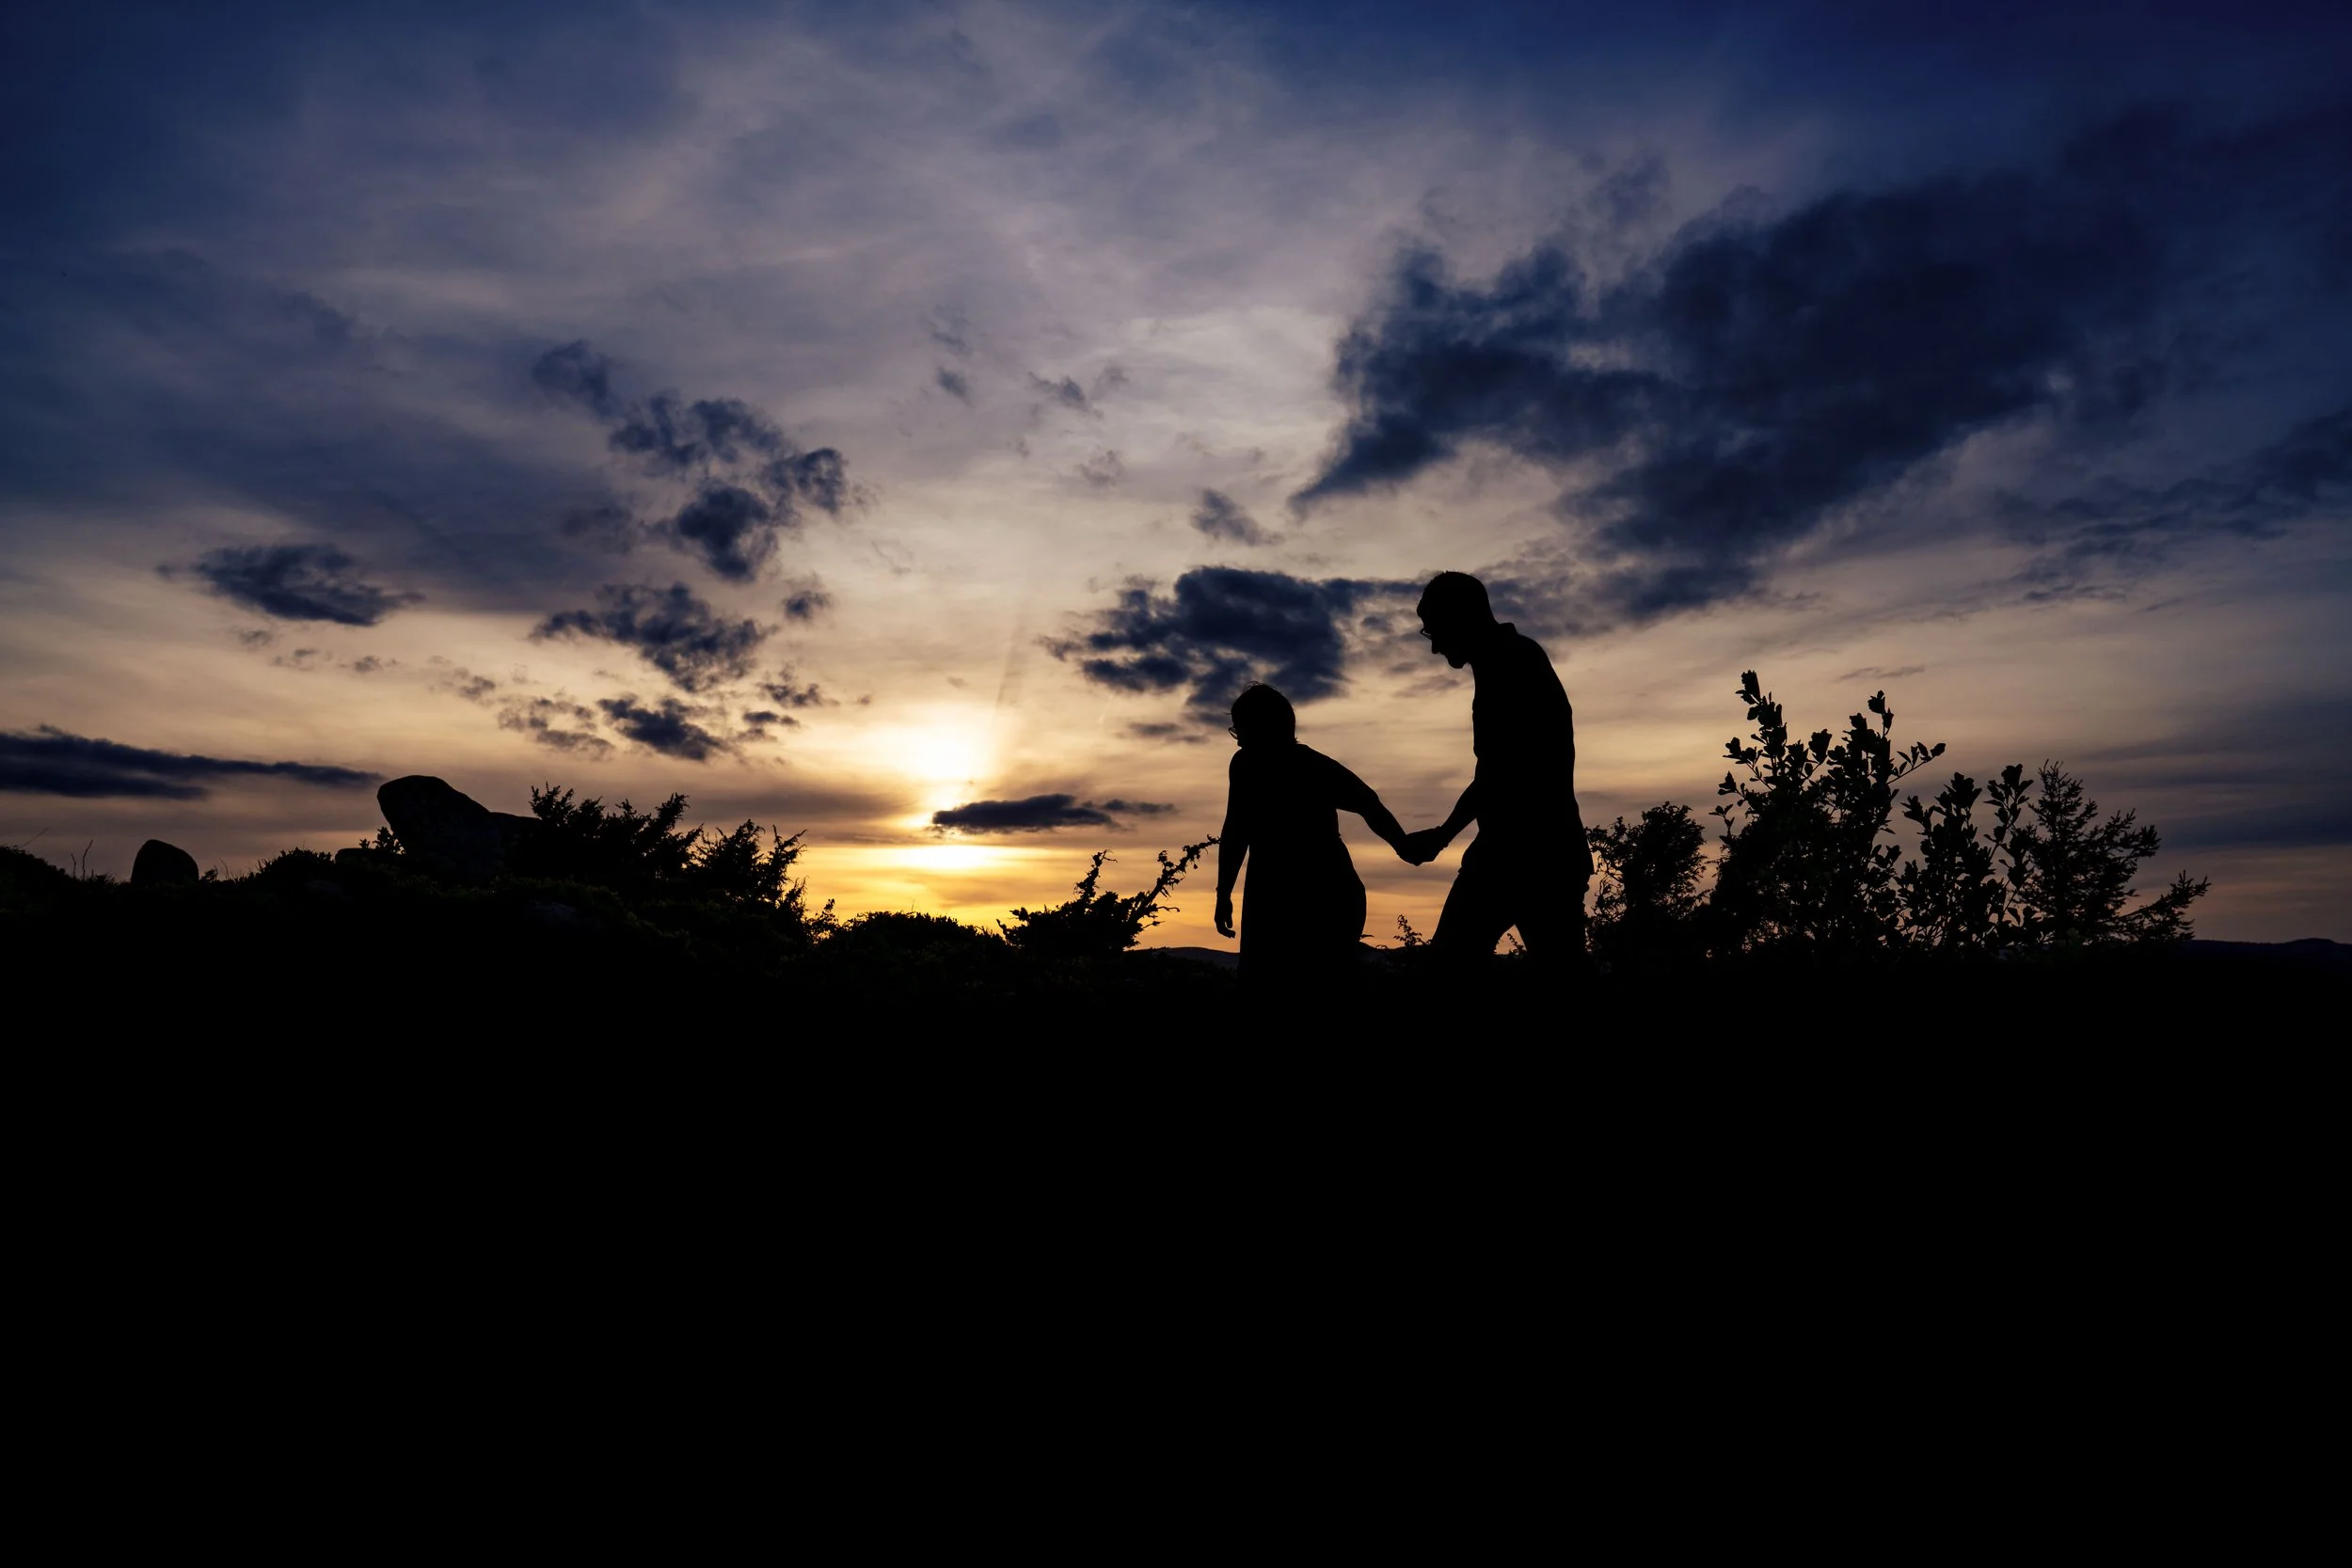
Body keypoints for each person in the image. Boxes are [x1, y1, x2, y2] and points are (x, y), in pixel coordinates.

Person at [1399, 572, 1594, 966]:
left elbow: (1499, 774)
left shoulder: (1512, 664)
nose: (1434, 646)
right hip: (1529, 852)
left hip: (1528, 854)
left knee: (1452, 968)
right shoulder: (1507, 660)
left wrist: (1442, 836)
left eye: (1434, 630)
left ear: (1461, 617)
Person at [1214, 683, 1412, 983]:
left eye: (1243, 729)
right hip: (1270, 897)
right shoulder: (1243, 766)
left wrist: (1404, 846)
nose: (1239, 740)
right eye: (1236, 730)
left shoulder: (1311, 768)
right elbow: (1235, 831)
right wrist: (1224, 892)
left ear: (1267, 728)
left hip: (1326, 898)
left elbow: (1368, 802)